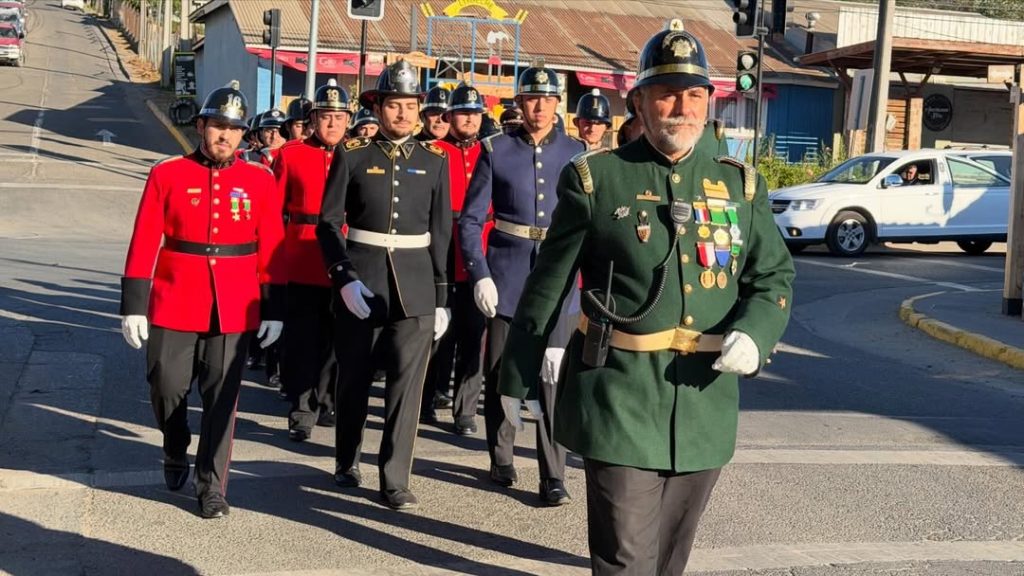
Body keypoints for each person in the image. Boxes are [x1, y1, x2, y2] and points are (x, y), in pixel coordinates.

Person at [497, 20, 795, 573]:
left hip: (703, 402)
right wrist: (517, 374)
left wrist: (755, 333)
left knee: (668, 561)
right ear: (639, 101)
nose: (680, 107)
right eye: (665, 93)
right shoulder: (595, 178)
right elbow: (548, 284)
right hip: (619, 397)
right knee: (624, 557)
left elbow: (773, 277)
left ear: (709, 101)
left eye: (693, 94)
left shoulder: (740, 184)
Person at [119, 81, 286, 519]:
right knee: (165, 385)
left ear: (243, 135)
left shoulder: (259, 179)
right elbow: (144, 239)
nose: (224, 137)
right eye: (217, 127)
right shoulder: (167, 174)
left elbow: (271, 246)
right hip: (176, 298)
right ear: (201, 127)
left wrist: (274, 307)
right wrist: (134, 304)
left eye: (233, 129)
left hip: (236, 303)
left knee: (222, 399)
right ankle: (175, 444)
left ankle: (211, 485)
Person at [316, 60, 452, 511]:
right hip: (363, 280)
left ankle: (394, 478)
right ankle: (346, 459)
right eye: (394, 104)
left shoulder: (436, 160)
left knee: (407, 386)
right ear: (378, 107)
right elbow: (329, 223)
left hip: (415, 288)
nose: (403, 114)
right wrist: (343, 278)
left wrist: (442, 295)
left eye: (410, 106)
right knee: (354, 378)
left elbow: (441, 232)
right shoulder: (353, 153)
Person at [459, 64, 585, 506]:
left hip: (558, 278)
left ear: (557, 104)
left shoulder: (576, 151)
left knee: (553, 378)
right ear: (519, 103)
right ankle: (501, 455)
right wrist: (480, 274)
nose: (539, 106)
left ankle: (554, 475)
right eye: (531, 99)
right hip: (507, 275)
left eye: (547, 99)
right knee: (502, 373)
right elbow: (472, 219)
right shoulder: (497, 149)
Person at [273, 79, 353, 441]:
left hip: (346, 253)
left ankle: (327, 399)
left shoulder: (357, 154)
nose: (332, 124)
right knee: (303, 338)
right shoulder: (291, 154)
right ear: (312, 119)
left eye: (339, 117)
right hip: (302, 253)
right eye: (325, 116)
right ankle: (301, 407)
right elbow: (274, 211)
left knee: (339, 337)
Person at [421, 83, 489, 434]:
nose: (469, 119)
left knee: (473, 333)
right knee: (436, 332)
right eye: (463, 112)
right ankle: (427, 398)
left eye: (475, 113)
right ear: (449, 116)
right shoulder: (433, 152)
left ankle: (465, 409)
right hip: (442, 246)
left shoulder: (489, 151)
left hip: (478, 248)